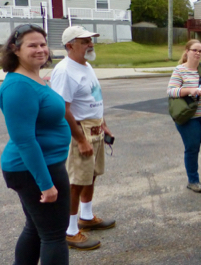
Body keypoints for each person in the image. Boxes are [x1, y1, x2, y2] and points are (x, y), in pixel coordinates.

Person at [0, 24, 71, 264]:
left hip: (40, 166)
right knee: (53, 235)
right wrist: (46, 184)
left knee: (36, 228)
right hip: (36, 169)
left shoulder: (31, 77)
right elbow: (25, 141)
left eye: (42, 44)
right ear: (15, 49)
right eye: (32, 45)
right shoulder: (18, 86)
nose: (40, 49)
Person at [50, 26, 115, 250]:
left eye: (91, 40)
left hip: (94, 128)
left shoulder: (85, 66)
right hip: (80, 130)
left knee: (91, 176)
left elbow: (93, 98)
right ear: (70, 46)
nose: (91, 44)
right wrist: (80, 139)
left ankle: (86, 217)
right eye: (85, 41)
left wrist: (103, 123)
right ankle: (69, 231)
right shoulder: (65, 70)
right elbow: (62, 109)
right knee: (76, 182)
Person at [167, 39, 201, 193]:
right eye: (194, 50)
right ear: (187, 51)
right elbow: (171, 91)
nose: (198, 53)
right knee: (192, 149)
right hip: (189, 117)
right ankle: (193, 181)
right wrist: (190, 90)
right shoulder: (179, 70)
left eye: (200, 51)